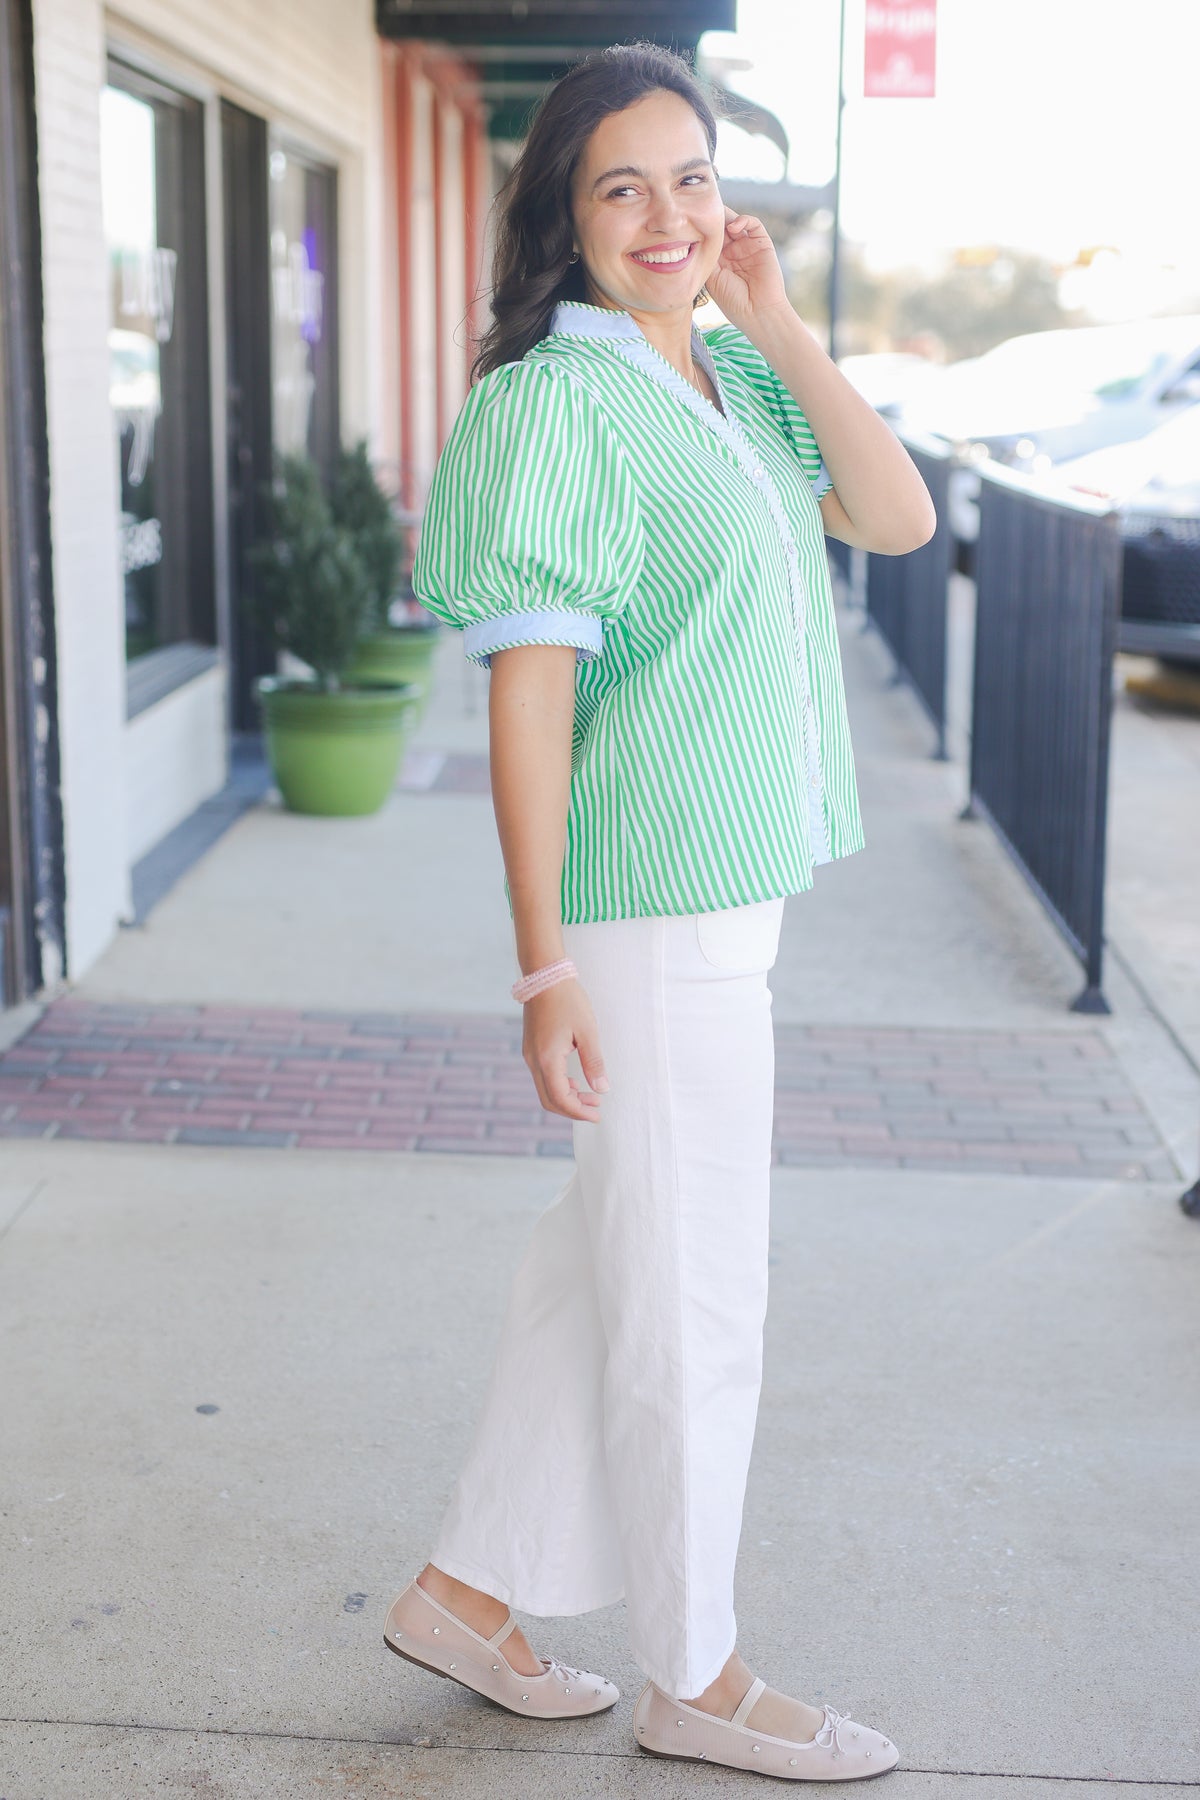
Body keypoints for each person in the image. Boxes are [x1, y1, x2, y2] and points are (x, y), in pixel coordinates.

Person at [384, 40, 935, 1784]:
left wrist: (778, 324)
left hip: (727, 903)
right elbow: (529, 699)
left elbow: (901, 518)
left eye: (691, 177)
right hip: (641, 916)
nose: (668, 214)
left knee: (599, 1270)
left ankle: (468, 1591)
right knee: (694, 1298)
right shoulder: (558, 405)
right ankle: (696, 1671)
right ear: (564, 214)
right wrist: (543, 966)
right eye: (621, 185)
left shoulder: (728, 380)